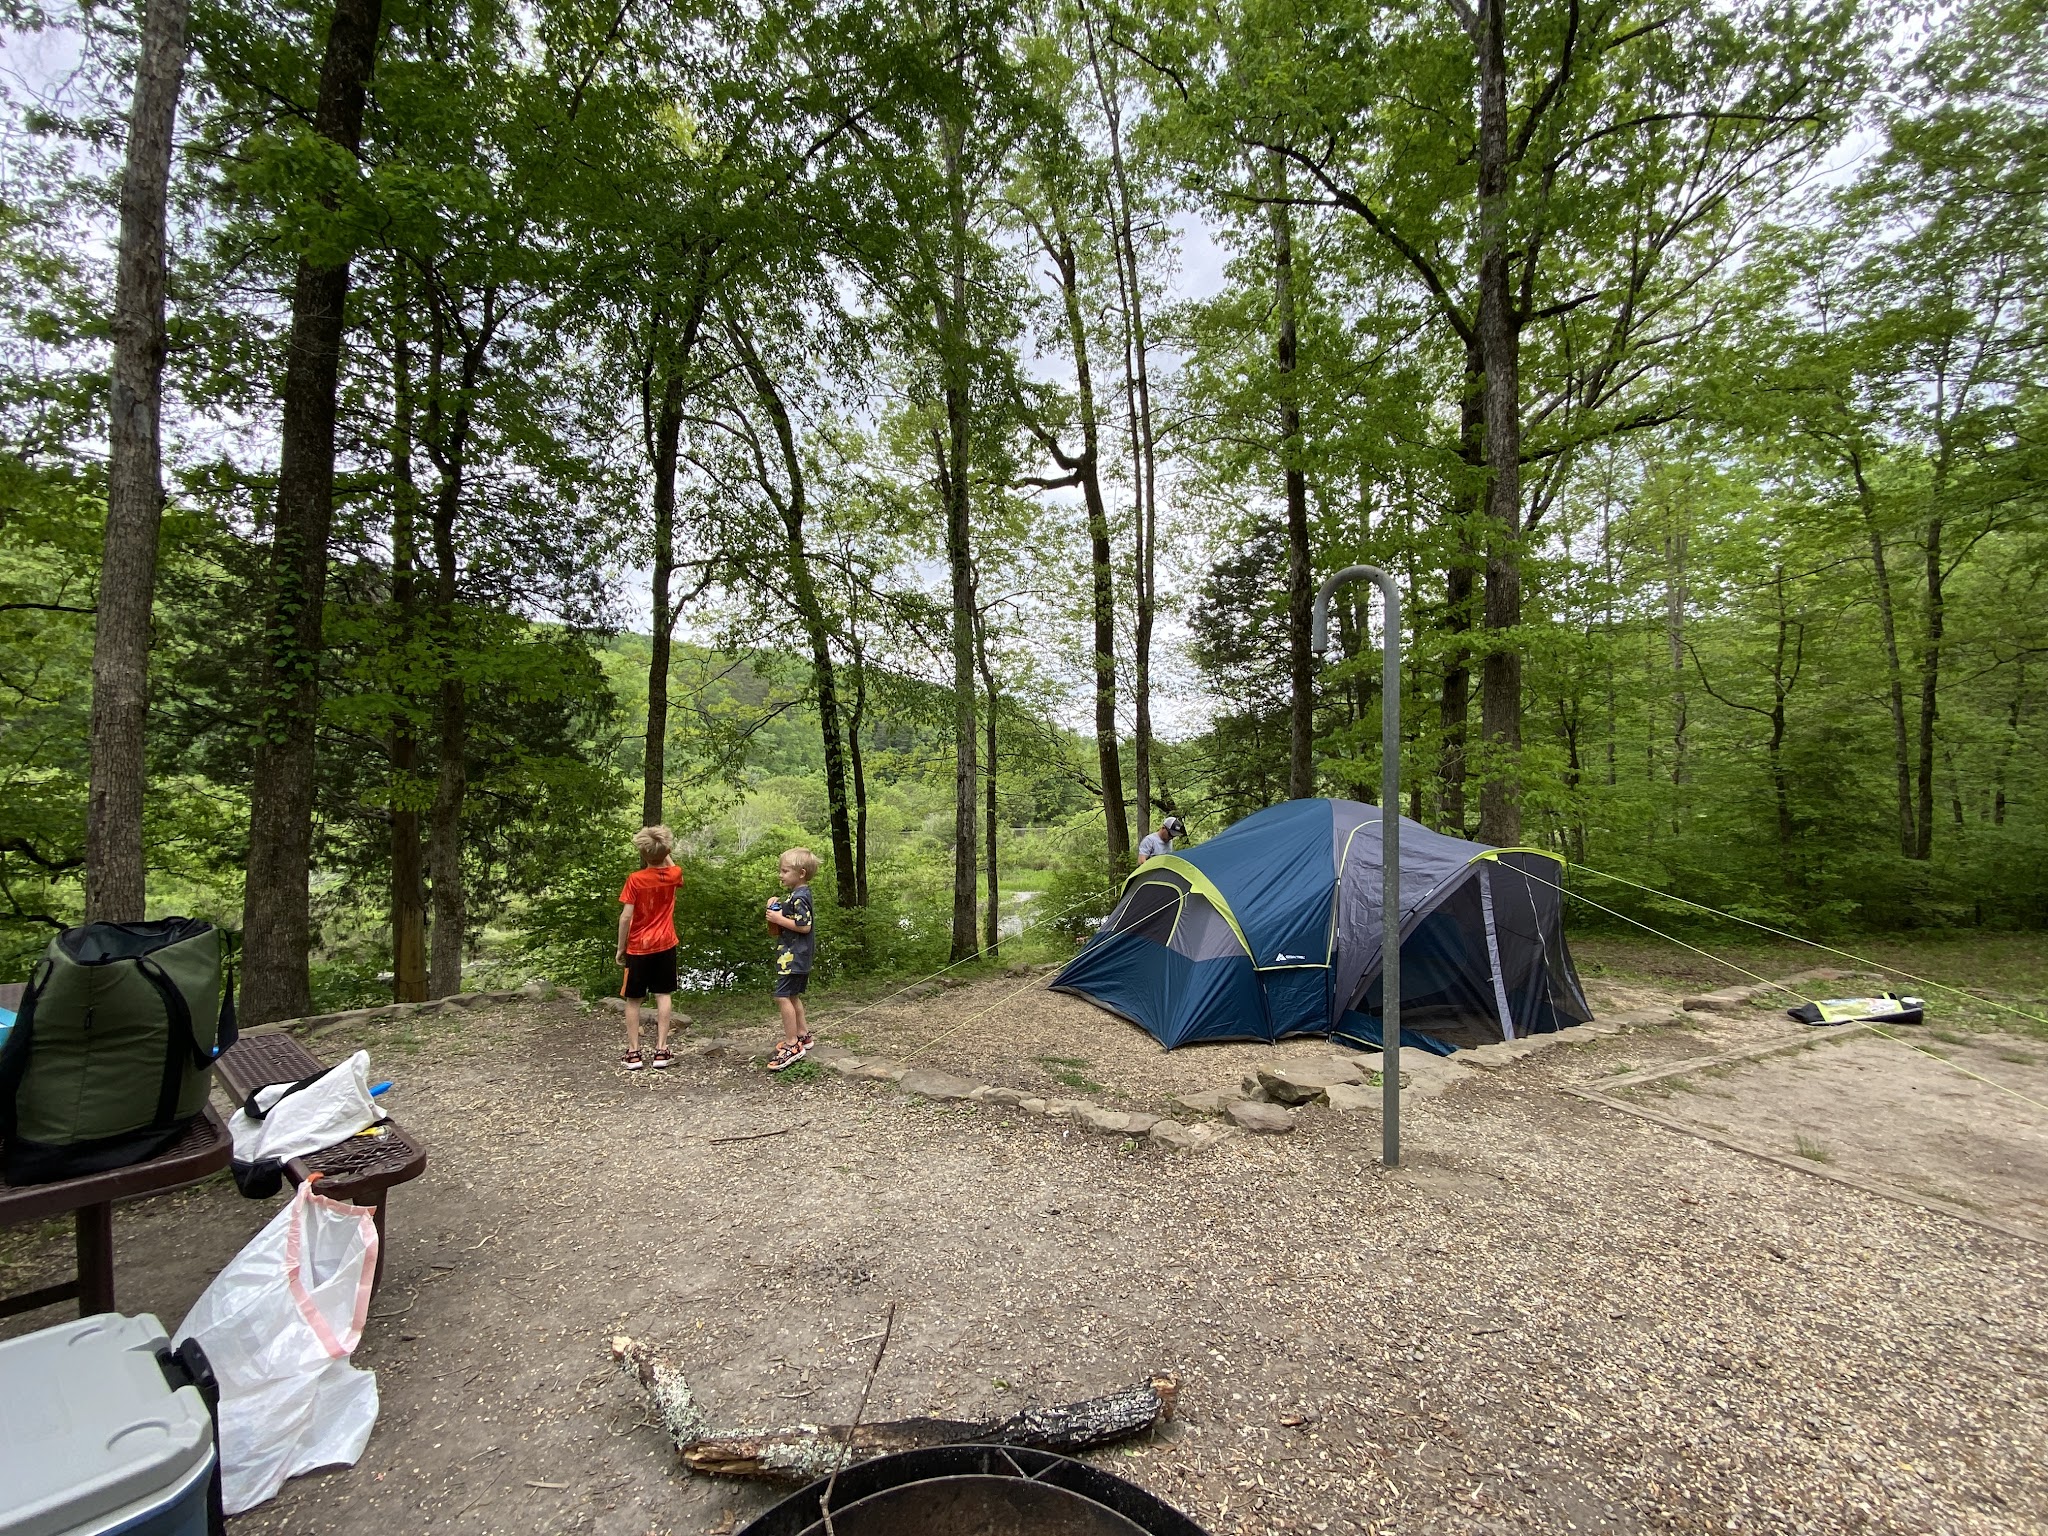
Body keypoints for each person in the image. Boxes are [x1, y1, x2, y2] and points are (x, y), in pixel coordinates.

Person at [615, 824, 684, 1070]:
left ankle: (634, 1053)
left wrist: (620, 947)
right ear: (666, 850)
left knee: (633, 1000)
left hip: (638, 948)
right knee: (662, 995)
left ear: (643, 853)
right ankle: (661, 1051)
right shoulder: (674, 875)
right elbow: (672, 866)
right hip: (665, 944)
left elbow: (626, 917)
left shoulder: (635, 880)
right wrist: (663, 850)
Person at [764, 847, 818, 1072]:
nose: (780, 875)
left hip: (795, 957)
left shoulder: (800, 897)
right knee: (792, 995)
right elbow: (784, 924)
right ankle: (803, 1035)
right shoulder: (796, 896)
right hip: (792, 957)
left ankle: (792, 1044)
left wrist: (778, 917)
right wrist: (775, 910)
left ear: (801, 872)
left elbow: (804, 926)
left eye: (785, 871)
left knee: (782, 996)